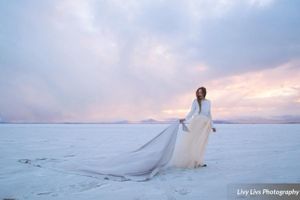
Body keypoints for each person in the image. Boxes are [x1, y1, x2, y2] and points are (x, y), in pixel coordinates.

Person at [169, 86, 216, 169]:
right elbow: (191, 112)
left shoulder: (208, 102)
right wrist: (185, 119)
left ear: (204, 93)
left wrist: (212, 126)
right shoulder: (195, 101)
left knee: (202, 144)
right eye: (198, 92)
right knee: (194, 142)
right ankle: (192, 161)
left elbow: (209, 114)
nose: (199, 94)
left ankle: (199, 161)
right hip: (196, 123)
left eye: (201, 92)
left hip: (205, 125)